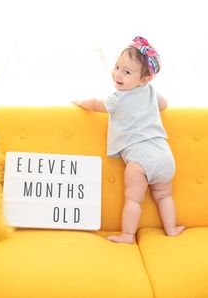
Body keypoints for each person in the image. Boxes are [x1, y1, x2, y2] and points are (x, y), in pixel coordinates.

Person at [73, 36, 185, 244]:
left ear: (144, 79)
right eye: (117, 66)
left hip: (140, 160)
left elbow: (97, 104)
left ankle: (127, 235)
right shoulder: (151, 92)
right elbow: (164, 104)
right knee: (164, 196)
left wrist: (80, 102)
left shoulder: (119, 98)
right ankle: (171, 229)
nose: (118, 74)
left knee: (133, 200)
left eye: (126, 72)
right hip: (164, 156)